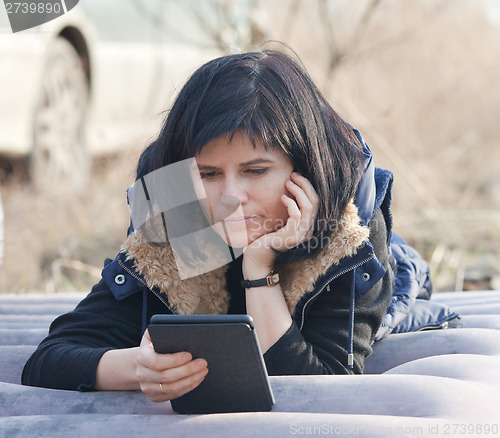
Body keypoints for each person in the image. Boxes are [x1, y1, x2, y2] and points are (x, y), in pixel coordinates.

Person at [22, 49, 452, 402]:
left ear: (301, 168)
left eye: (255, 170)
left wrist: (258, 267)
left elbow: (319, 386)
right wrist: (136, 367)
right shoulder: (179, 213)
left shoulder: (347, 226)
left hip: (389, 272)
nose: (231, 196)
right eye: (209, 174)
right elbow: (51, 357)